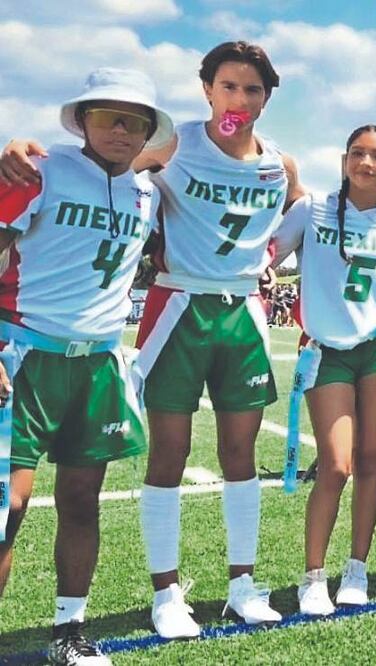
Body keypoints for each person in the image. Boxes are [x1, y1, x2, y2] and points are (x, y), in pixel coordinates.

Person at [0, 40, 307, 636]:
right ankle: (166, 594)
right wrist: (15, 151)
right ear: (206, 90)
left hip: (233, 314)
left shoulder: (278, 165)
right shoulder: (166, 148)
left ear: (267, 98)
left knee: (235, 459)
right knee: (158, 459)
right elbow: (80, 172)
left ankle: (241, 584)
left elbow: (297, 212)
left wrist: (269, 256)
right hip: (166, 311)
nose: (237, 100)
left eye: (251, 89)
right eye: (227, 86)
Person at [0, 67, 171, 665]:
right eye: (110, 116)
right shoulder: (40, 170)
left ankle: (69, 633)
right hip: (24, 354)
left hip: (97, 363)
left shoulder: (149, 193)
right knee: (8, 506)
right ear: (84, 119)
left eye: (136, 121)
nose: (123, 130)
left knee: (80, 500)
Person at [270, 125, 376, 615]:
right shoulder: (312, 207)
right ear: (344, 158)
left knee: (371, 460)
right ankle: (313, 577)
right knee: (335, 464)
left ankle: (357, 569)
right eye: (357, 153)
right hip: (327, 348)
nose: (366, 163)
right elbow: (271, 253)